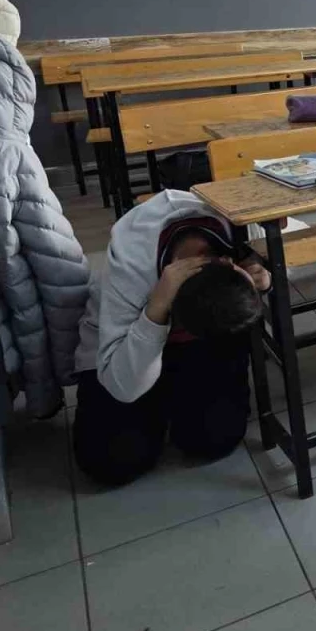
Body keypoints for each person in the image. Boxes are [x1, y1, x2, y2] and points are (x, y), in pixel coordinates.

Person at [71, 190, 269, 486]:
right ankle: (161, 401)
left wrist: (264, 279)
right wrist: (156, 309)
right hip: (125, 347)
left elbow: (287, 242)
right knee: (111, 462)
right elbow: (123, 386)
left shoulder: (239, 227)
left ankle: (177, 397)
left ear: (229, 262)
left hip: (198, 338)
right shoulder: (131, 263)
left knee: (213, 441)